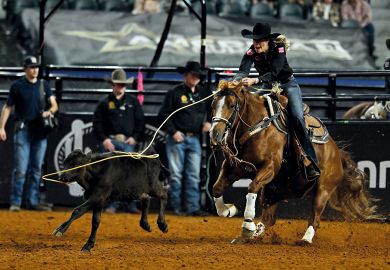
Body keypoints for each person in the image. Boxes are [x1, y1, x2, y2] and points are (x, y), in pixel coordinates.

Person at [233, 22, 320, 187]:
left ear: (267, 41)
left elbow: (276, 72)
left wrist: (255, 80)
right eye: (254, 40)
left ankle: (310, 161)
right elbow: (243, 69)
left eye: (260, 40)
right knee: (249, 107)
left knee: (296, 117)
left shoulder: (279, 49)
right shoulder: (252, 51)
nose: (256, 44)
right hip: (267, 87)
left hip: (287, 85)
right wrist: (236, 81)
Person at [0, 56, 58, 211]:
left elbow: (54, 105)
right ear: (25, 68)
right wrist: (1, 127)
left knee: (36, 167)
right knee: (21, 168)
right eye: (32, 67)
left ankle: (32, 201)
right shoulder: (17, 86)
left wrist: (49, 112)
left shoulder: (43, 84)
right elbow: (7, 107)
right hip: (24, 129)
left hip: (39, 130)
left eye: (37, 67)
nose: (35, 69)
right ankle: (16, 201)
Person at [158, 61, 211, 216]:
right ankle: (177, 207)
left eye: (198, 76)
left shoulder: (204, 93)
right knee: (176, 175)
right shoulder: (174, 93)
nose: (195, 78)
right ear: (186, 75)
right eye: (193, 75)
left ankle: (192, 207)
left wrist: (209, 122)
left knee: (193, 174)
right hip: (177, 138)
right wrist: (173, 131)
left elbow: (214, 109)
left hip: (194, 138)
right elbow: (163, 114)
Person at [93, 68, 145, 214]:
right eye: (118, 84)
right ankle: (111, 205)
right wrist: (104, 140)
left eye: (123, 84)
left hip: (127, 142)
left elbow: (140, 122)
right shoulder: (104, 103)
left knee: (129, 175)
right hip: (111, 142)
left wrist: (134, 137)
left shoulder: (133, 102)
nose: (121, 87)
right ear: (113, 85)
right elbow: (97, 123)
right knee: (111, 175)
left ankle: (130, 205)